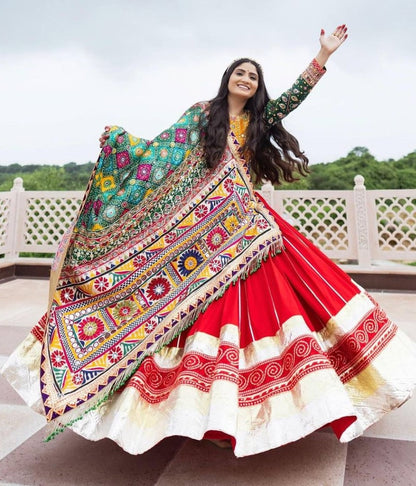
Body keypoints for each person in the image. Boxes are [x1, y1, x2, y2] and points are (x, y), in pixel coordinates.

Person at [2, 25, 416, 458]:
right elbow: (161, 155)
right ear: (227, 78)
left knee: (280, 301)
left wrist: (322, 56)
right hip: (203, 232)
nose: (246, 80)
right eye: (240, 73)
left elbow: (294, 97)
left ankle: (275, 401)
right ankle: (196, 408)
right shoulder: (202, 114)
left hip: (249, 226)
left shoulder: (258, 120)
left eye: (253, 77)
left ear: (257, 89)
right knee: (191, 307)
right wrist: (123, 146)